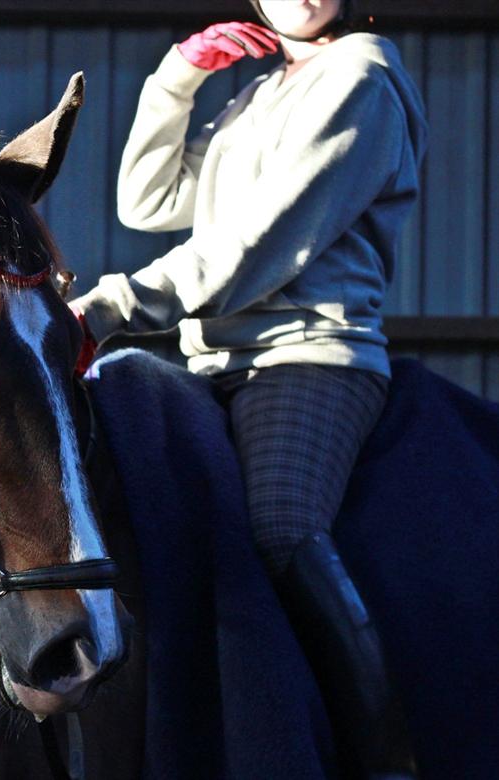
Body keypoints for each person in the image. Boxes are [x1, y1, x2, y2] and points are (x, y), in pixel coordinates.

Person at [68, 1, 427, 776]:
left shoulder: (360, 77)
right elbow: (150, 200)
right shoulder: (262, 90)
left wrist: (107, 309)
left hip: (310, 354)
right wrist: (177, 80)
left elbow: (257, 239)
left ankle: (385, 755)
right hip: (214, 361)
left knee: (281, 528)